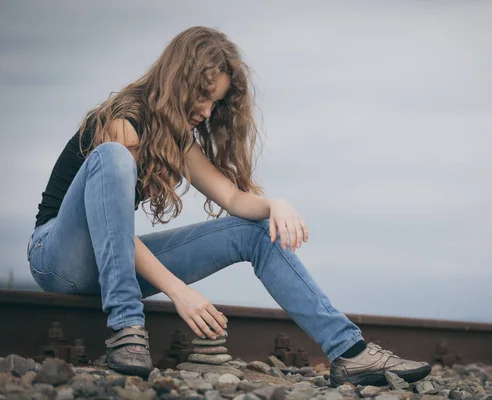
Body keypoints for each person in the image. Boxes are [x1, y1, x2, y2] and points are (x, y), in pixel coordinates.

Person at [26, 26, 431, 386]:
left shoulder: (178, 139)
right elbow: (110, 232)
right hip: (58, 257)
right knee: (113, 157)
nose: (205, 112)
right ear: (177, 79)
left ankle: (349, 351)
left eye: (214, 103)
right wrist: (177, 291)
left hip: (113, 262)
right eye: (202, 96)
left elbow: (233, 199)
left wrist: (276, 204)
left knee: (252, 231)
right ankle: (127, 326)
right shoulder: (123, 121)